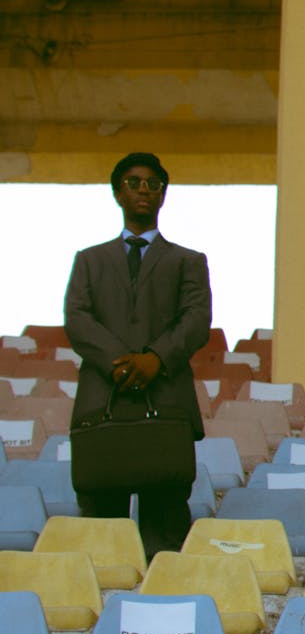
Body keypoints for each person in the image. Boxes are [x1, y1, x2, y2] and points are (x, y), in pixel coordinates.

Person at [63, 152, 212, 558]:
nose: (144, 190)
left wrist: (156, 359)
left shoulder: (188, 261)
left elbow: (197, 320)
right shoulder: (89, 261)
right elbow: (77, 319)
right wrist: (121, 362)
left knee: (165, 536)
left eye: (153, 184)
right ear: (117, 193)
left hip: (165, 405)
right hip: (103, 404)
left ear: (163, 195)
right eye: (133, 183)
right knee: (101, 542)